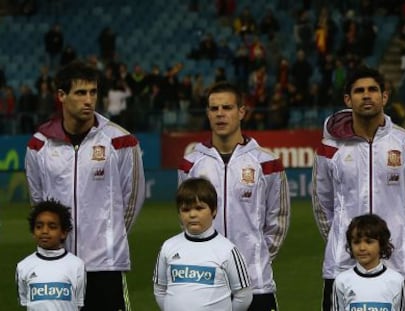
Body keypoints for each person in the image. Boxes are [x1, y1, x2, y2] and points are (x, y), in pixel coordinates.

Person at [25, 60, 146, 311]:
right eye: (80, 93)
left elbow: (133, 198)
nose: (89, 100)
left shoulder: (121, 140)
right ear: (61, 96)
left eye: (93, 92)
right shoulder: (39, 145)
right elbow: (39, 202)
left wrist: (110, 237)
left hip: (105, 265)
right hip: (58, 262)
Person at [178, 81, 291, 311]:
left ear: (241, 112)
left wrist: (256, 256)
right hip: (208, 285)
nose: (220, 114)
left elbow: (278, 221)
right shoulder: (191, 163)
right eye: (214, 108)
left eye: (227, 107)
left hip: (255, 284)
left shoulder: (267, 163)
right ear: (208, 113)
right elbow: (187, 220)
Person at [312, 65, 405, 311]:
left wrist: (403, 239)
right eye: (359, 91)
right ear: (348, 99)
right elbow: (322, 205)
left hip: (400, 262)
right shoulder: (330, 149)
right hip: (343, 263)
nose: (366, 95)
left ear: (385, 96)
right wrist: (345, 239)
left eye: (372, 90)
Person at [153, 177, 253, 311]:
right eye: (186, 210)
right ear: (179, 213)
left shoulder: (227, 250)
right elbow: (160, 289)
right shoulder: (168, 247)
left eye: (199, 208)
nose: (192, 214)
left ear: (214, 210)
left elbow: (243, 294)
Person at [16, 198, 86, 310]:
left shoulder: (77, 265)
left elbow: (77, 302)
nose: (44, 231)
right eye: (39, 226)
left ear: (63, 233)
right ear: (33, 232)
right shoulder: (23, 266)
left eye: (52, 227)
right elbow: (25, 301)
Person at [332, 214, 405, 311]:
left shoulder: (397, 281)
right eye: (356, 242)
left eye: (369, 242)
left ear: (382, 244)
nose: (362, 248)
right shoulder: (341, 281)